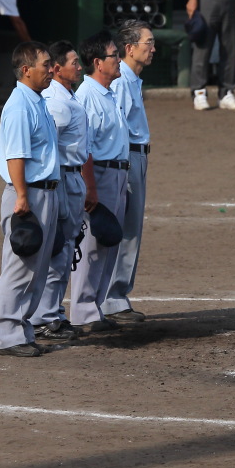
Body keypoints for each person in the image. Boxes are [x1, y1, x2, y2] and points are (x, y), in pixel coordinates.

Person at [0, 41, 59, 357]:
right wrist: (21, 197)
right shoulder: (19, 106)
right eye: (46, 64)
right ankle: (8, 334)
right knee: (20, 268)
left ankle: (22, 329)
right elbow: (15, 156)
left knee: (38, 269)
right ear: (25, 70)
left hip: (43, 192)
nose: (51, 69)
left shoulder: (37, 101)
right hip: (28, 194)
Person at [70, 30, 130, 335]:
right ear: (97, 62)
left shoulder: (110, 92)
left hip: (117, 175)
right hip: (101, 176)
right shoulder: (87, 96)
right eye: (113, 55)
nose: (119, 60)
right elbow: (85, 149)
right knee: (93, 244)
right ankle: (82, 311)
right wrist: (90, 187)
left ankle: (96, 306)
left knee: (110, 241)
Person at [33, 40, 89, 343]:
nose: (79, 67)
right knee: (57, 249)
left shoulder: (67, 96)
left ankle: (52, 313)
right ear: (56, 68)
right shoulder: (55, 102)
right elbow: (46, 148)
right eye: (73, 62)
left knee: (65, 249)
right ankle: (44, 317)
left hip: (72, 178)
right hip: (62, 179)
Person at [104, 20, 155, 323]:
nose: (153, 48)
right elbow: (117, 128)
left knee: (131, 229)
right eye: (148, 42)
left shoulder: (133, 79)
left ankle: (115, 295)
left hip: (137, 158)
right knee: (127, 230)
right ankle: (113, 298)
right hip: (128, 159)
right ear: (129, 48)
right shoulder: (122, 81)